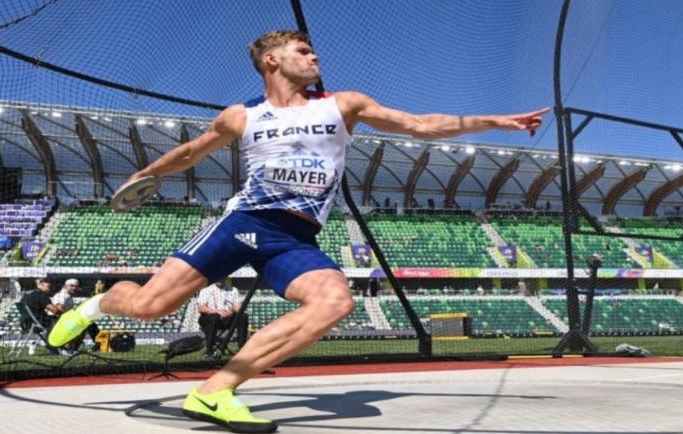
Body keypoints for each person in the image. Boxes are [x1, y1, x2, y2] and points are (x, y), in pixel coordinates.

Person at [48, 29, 547, 433]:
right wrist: (145, 176)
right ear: (272, 61)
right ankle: (97, 304)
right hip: (245, 223)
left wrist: (491, 121)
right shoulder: (242, 116)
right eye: (303, 51)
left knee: (335, 301)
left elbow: (418, 124)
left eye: (313, 52)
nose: (315, 58)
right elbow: (191, 152)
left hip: (295, 237)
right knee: (150, 306)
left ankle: (214, 392)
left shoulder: (342, 105)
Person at [197, 279, 249, 359]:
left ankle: (241, 347)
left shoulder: (233, 290)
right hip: (210, 318)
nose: (220, 279)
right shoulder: (206, 290)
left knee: (243, 316)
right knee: (214, 316)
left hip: (227, 318)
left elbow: (236, 306)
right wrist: (217, 312)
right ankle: (210, 350)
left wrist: (231, 311)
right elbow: (201, 307)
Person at [50, 278, 101, 352]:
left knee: (87, 323)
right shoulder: (62, 295)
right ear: (65, 286)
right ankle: (97, 344)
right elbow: (59, 309)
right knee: (85, 324)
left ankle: (98, 344)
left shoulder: (68, 295)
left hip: (63, 320)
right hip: (58, 322)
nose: (74, 288)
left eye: (76, 286)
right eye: (72, 286)